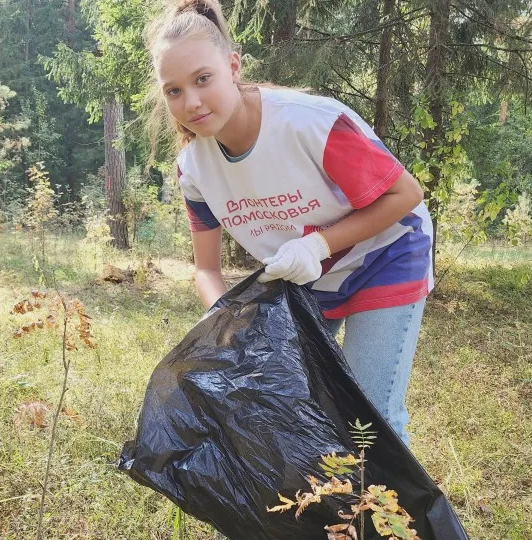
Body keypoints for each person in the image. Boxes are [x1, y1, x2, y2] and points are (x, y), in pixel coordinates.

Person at [146, 0, 434, 445]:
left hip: (385, 253)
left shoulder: (308, 124)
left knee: (369, 421)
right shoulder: (194, 169)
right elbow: (206, 269)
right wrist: (224, 319)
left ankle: (388, 515)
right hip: (307, 282)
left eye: (203, 79)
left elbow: (407, 194)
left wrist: (318, 246)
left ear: (233, 67)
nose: (192, 102)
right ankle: (325, 512)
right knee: (296, 407)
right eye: (174, 91)